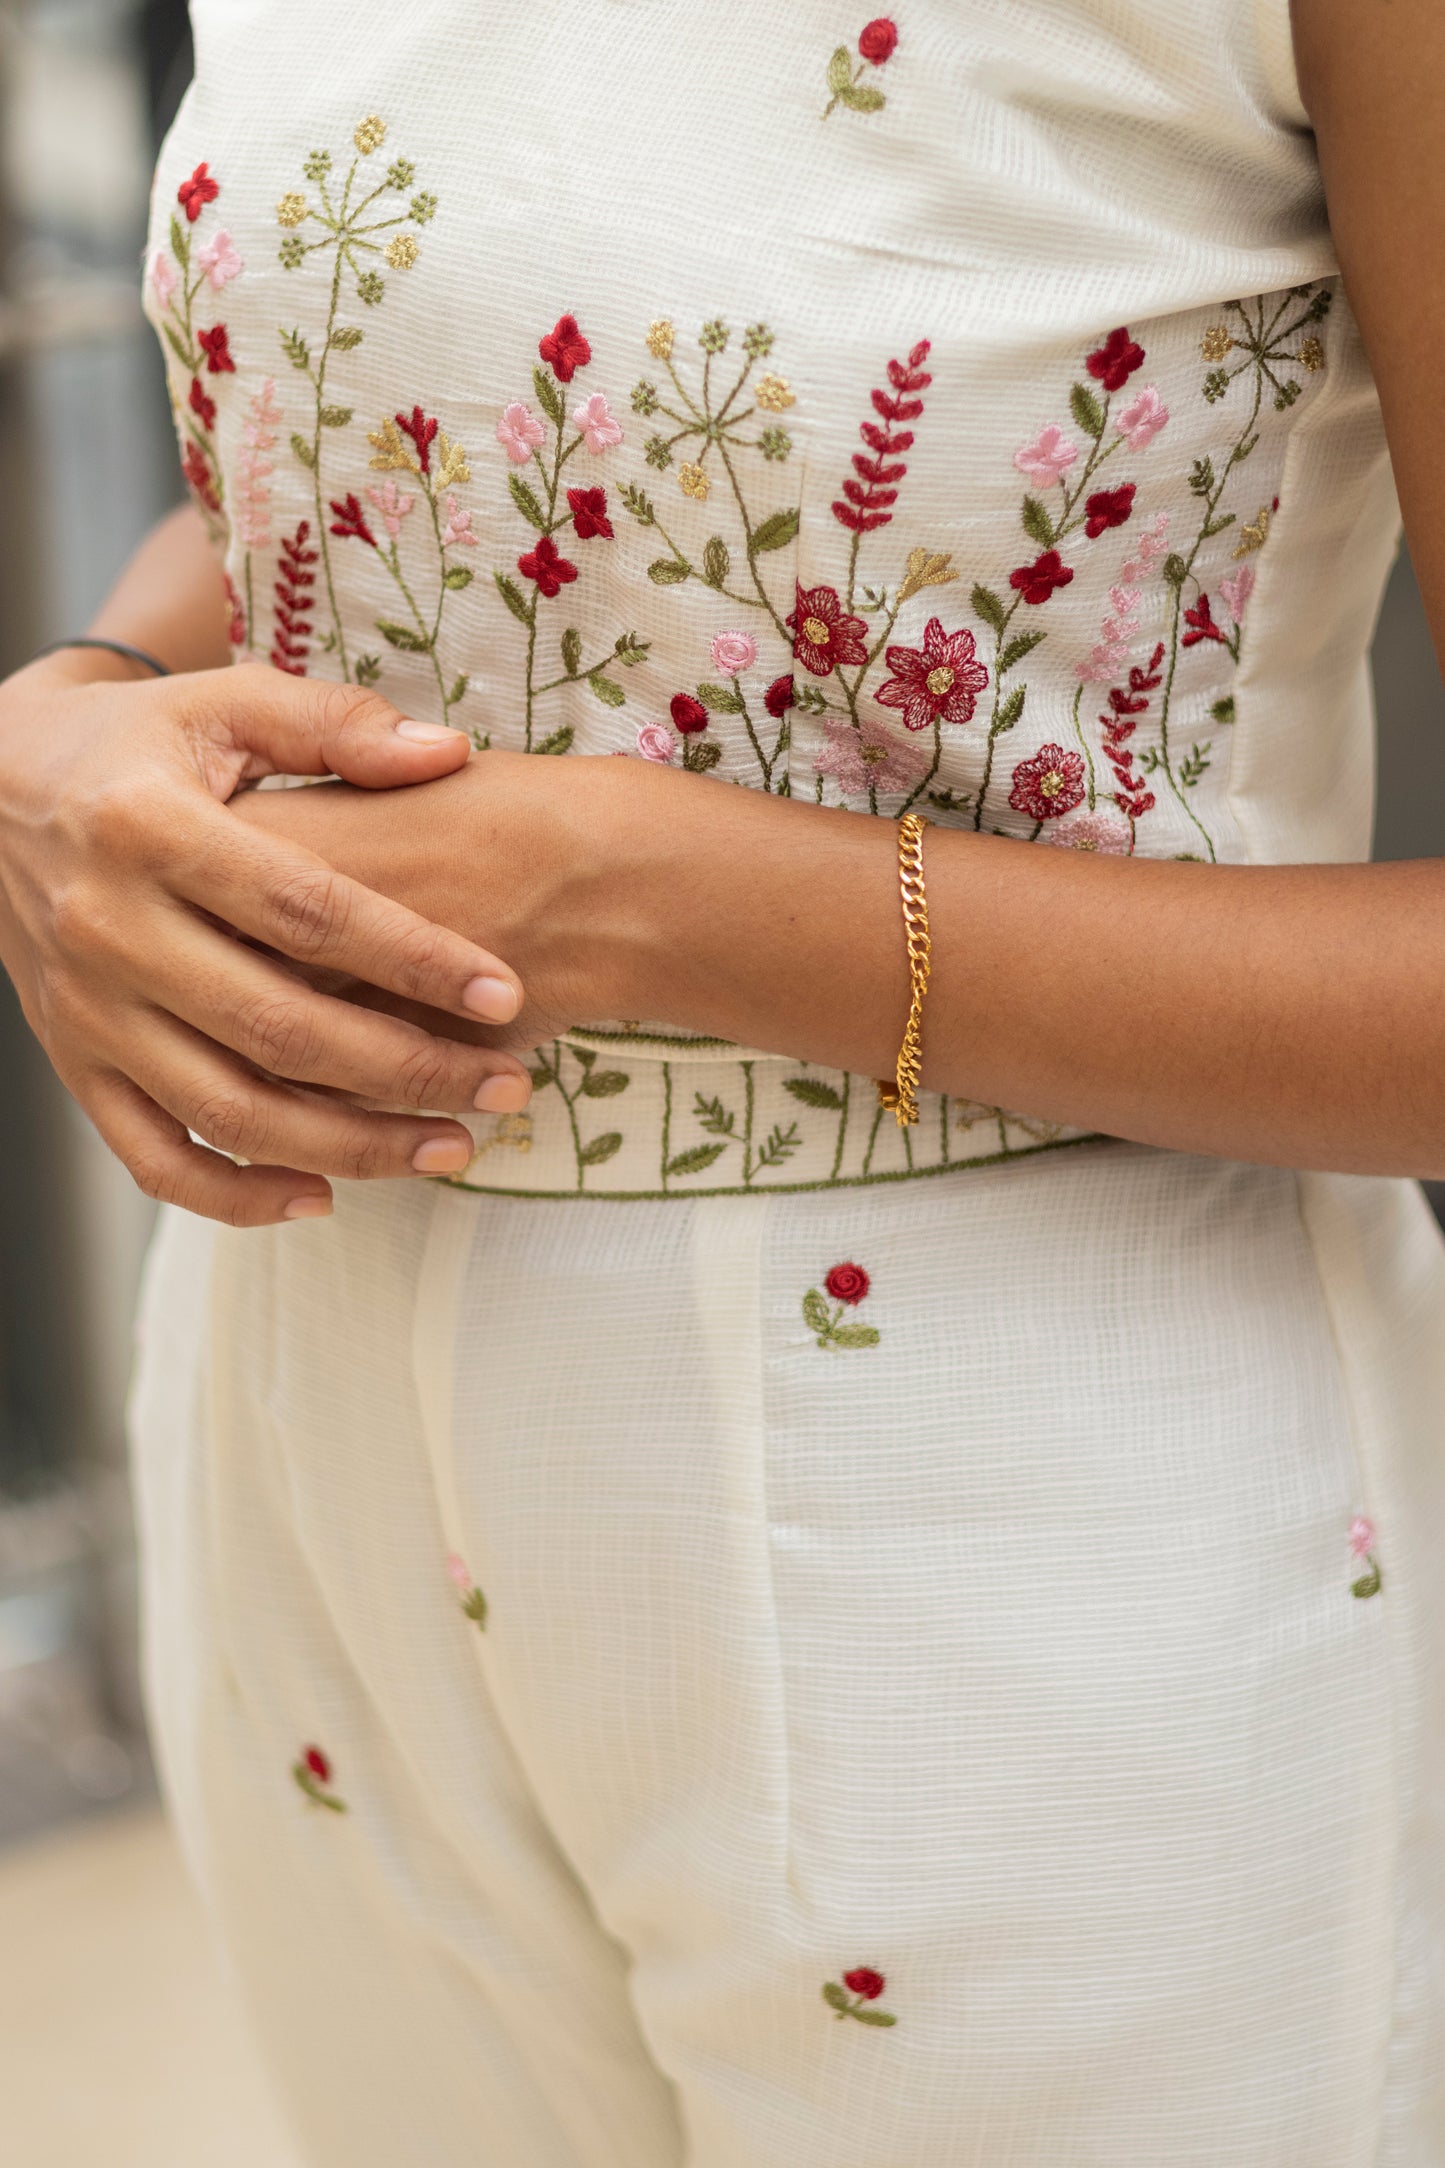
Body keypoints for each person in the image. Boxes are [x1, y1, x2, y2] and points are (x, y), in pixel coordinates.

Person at [1, 0, 1442, 2159]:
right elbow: (422, 385)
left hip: (1034, 1541)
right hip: (306, 1450)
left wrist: (656, 896)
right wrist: (89, 707)